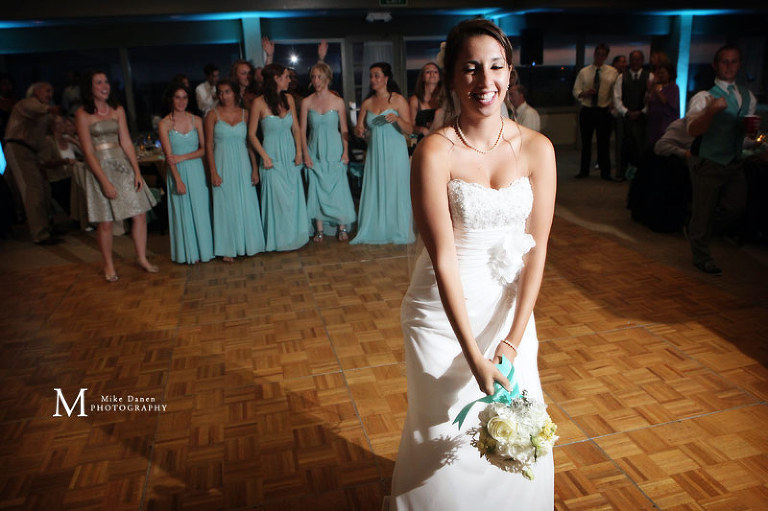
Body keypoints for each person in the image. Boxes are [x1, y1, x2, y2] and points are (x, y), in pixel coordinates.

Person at [388, 18, 556, 510]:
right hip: (442, 314)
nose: (486, 82)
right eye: (471, 69)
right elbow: (441, 259)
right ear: (451, 77)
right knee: (442, 428)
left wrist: (512, 338)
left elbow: (538, 247)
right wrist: (474, 356)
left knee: (516, 420)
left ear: (510, 71)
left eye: (496, 66)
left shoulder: (537, 148)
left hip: (510, 312)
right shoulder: (433, 152)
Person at [75, 70, 158, 281]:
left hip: (122, 165)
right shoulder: (82, 114)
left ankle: (142, 257)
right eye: (99, 82)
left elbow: (127, 142)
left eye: (106, 82)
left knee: (139, 213)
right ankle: (109, 265)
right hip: (99, 167)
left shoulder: (117, 109)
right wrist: (103, 180)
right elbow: (87, 150)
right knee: (106, 221)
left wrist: (137, 172)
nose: (104, 86)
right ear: (90, 87)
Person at [685, 44, 757, 275]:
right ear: (716, 65)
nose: (729, 65)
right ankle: (701, 255)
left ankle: (697, 228)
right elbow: (693, 130)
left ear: (739, 64)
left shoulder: (748, 96)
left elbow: (747, 133)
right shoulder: (704, 97)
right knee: (703, 210)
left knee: (736, 207)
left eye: (734, 61)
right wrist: (711, 112)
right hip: (708, 160)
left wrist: (752, 137)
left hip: (734, 161)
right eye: (724, 61)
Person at [248, 64, 311, 252]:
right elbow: (251, 134)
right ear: (275, 78)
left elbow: (296, 128)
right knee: (277, 200)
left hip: (290, 154)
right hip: (271, 155)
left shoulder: (289, 99)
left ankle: (296, 237)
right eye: (286, 76)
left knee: (293, 197)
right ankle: (279, 240)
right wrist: (264, 157)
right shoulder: (258, 103)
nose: (289, 80)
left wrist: (299, 151)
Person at [350, 62, 413, 245]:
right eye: (371, 76)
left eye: (376, 75)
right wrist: (359, 130)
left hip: (395, 151)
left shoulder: (398, 100)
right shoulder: (367, 103)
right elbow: (358, 129)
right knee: (376, 186)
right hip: (375, 152)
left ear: (386, 78)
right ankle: (376, 227)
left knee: (395, 187)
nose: (373, 79)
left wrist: (398, 119)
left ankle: (397, 228)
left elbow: (409, 129)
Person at [205, 79, 265, 261]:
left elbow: (249, 144)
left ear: (235, 93)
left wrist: (255, 169)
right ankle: (227, 248)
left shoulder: (246, 114)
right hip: (222, 162)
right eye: (221, 92)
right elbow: (208, 145)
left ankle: (250, 243)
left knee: (246, 201)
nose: (224, 96)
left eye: (227, 92)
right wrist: (213, 172)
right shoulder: (212, 115)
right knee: (225, 204)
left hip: (242, 162)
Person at [158, 84, 214, 264]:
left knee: (200, 210)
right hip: (178, 173)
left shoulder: (196, 120)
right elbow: (169, 157)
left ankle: (205, 251)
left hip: (196, 169)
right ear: (171, 100)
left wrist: (183, 157)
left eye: (184, 97)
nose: (181, 101)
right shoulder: (164, 124)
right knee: (183, 212)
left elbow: (204, 150)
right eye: (177, 97)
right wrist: (177, 180)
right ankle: (189, 253)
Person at [300, 62, 356, 242]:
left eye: (319, 77)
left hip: (334, 149)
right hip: (314, 149)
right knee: (316, 188)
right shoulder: (306, 102)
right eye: (314, 77)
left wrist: (346, 152)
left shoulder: (338, 101)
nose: (316, 80)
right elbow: (301, 130)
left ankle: (342, 227)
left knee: (338, 189)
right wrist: (305, 154)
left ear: (328, 79)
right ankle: (319, 229)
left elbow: (344, 128)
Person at [4, 81, 60, 244]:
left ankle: (46, 227)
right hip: (18, 148)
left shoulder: (43, 113)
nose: (50, 95)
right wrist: (50, 110)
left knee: (43, 188)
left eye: (51, 92)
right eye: (47, 91)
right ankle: (40, 234)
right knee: (32, 190)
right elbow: (33, 109)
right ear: (35, 92)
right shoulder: (27, 103)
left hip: (32, 152)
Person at [573, 43, 618, 179]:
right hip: (587, 110)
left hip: (603, 110)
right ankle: (584, 171)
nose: (600, 57)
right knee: (586, 143)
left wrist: (613, 104)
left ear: (606, 56)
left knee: (603, 143)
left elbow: (616, 92)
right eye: (598, 54)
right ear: (594, 54)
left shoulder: (612, 72)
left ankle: (605, 172)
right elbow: (576, 90)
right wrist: (585, 93)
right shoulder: (584, 72)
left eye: (603, 55)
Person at [613, 50, 651, 181]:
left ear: (642, 61)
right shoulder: (621, 77)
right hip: (625, 118)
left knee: (641, 146)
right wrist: (627, 112)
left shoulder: (649, 77)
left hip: (643, 118)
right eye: (633, 59)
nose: (635, 62)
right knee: (622, 146)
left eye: (638, 59)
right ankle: (621, 173)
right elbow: (617, 98)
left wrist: (642, 111)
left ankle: (641, 175)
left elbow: (651, 98)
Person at [645, 60, 679, 147]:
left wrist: (654, 89)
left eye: (663, 73)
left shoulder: (673, 87)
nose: (660, 75)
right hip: (653, 123)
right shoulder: (657, 87)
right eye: (659, 73)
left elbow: (664, 101)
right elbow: (648, 102)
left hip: (665, 123)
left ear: (669, 74)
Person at [409, 62, 444, 142]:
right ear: (422, 77)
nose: (432, 74)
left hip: (441, 140)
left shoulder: (445, 98)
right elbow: (411, 126)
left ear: (439, 77)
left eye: (435, 72)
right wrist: (422, 129)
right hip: (423, 141)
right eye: (428, 72)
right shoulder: (415, 100)